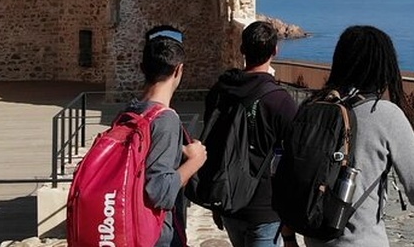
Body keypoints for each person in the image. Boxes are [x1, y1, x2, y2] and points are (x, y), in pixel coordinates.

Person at [304, 25, 414, 247]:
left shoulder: (314, 106)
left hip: (315, 238)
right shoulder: (385, 114)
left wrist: (288, 236)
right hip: (361, 239)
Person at [203, 20, 300, 247]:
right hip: (265, 209)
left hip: (228, 201)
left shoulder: (219, 91)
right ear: (275, 51)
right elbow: (295, 160)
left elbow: (211, 144)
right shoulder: (280, 101)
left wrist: (215, 201)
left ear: (242, 49)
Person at [125, 27, 208, 247]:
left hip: (132, 227)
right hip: (157, 235)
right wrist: (195, 161)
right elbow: (160, 193)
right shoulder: (165, 119)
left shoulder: (131, 111)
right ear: (178, 70)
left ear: (142, 68)